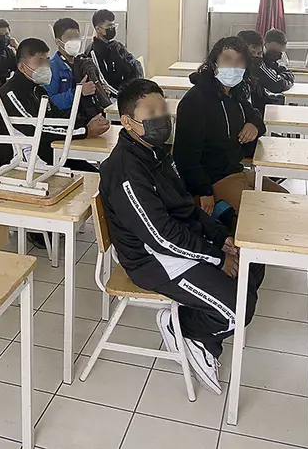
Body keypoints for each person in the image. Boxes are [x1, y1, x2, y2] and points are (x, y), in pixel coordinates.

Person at [99, 78, 264, 395]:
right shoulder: (125, 169)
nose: (162, 117)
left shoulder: (157, 154)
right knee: (239, 309)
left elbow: (185, 206)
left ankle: (197, 329)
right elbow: (160, 237)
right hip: (154, 261)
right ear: (128, 122)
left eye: (163, 108)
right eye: (152, 111)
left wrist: (221, 238)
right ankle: (185, 326)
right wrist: (216, 257)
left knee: (253, 263)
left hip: (181, 244)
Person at [173, 36, 288, 213]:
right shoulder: (194, 102)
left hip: (238, 171)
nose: (233, 67)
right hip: (213, 181)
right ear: (214, 64)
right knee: (264, 212)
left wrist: (253, 124)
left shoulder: (235, 94)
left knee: (285, 201)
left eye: (239, 61)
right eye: (227, 59)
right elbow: (184, 157)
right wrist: (204, 191)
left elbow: (256, 116)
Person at [0, 38, 109, 172]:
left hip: (46, 152)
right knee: (92, 178)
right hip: (23, 162)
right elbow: (38, 130)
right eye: (40, 61)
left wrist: (88, 122)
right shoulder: (10, 94)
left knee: (100, 174)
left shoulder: (38, 89)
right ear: (22, 67)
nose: (46, 66)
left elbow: (59, 117)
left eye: (47, 60)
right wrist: (85, 131)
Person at [85, 9, 142, 98]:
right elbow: (103, 83)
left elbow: (135, 65)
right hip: (113, 99)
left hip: (126, 93)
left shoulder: (117, 46)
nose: (112, 28)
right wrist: (125, 97)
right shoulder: (93, 53)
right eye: (109, 25)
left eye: (113, 25)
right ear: (98, 29)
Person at [45, 18, 97, 114]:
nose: (74, 41)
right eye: (69, 37)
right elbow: (50, 102)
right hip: (66, 119)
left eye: (77, 36)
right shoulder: (52, 67)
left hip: (84, 113)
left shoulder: (82, 63)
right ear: (58, 42)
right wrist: (78, 92)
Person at [239, 29, 294, 116]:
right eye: (252, 53)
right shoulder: (255, 67)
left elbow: (280, 72)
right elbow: (278, 84)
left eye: (259, 53)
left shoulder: (259, 63)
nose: (256, 56)